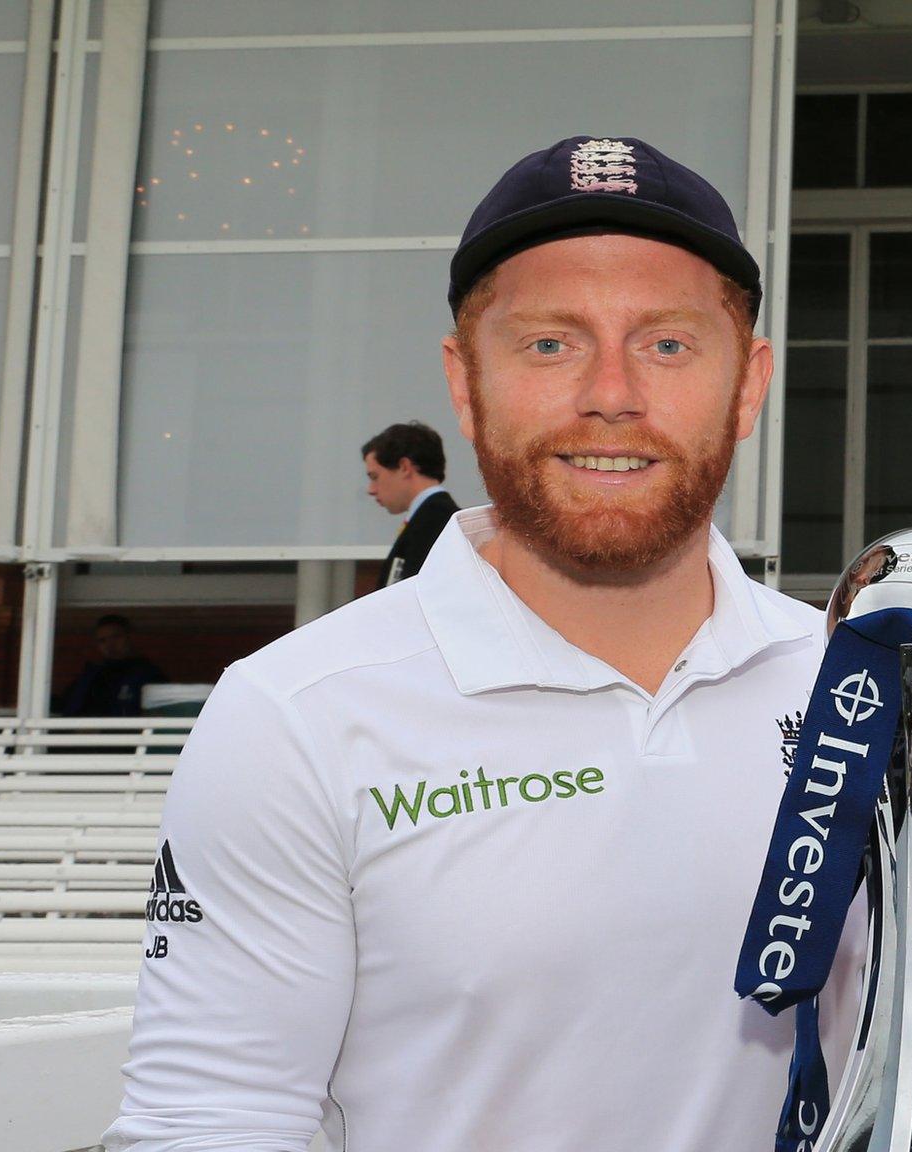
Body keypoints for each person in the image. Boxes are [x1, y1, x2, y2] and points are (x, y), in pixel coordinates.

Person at [107, 136, 858, 1152]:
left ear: (748, 384)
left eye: (668, 345)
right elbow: (210, 1118)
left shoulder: (856, 688)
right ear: (464, 385)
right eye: (549, 344)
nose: (611, 391)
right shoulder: (296, 714)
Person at [362, 420, 460, 586]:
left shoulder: (435, 523)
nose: (370, 489)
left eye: (374, 477)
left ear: (404, 467)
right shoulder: (434, 519)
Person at [55, 615, 166, 717]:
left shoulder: (148, 674)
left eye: (116, 637)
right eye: (102, 641)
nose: (110, 645)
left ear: (131, 637)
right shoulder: (90, 676)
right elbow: (66, 706)